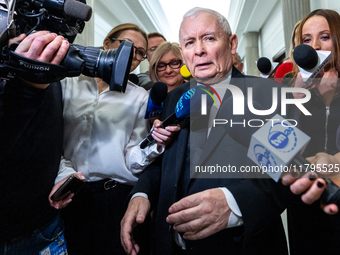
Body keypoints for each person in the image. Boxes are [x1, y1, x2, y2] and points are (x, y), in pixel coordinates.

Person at [121, 7, 299, 255]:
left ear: (232, 43)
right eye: (190, 42)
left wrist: (234, 203)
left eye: (209, 38)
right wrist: (141, 193)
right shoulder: (174, 99)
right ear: (183, 53)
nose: (199, 50)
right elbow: (164, 162)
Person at [51, 23, 179, 255]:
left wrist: (155, 143)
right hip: (69, 195)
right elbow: (51, 142)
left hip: (114, 198)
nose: (133, 55)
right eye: (127, 46)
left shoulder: (140, 96)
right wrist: (63, 173)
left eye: (140, 52)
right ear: (107, 44)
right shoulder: (68, 84)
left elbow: (132, 158)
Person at [0, 31, 70, 254]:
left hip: (44, 226)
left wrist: (62, 174)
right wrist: (27, 89)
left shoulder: (50, 73)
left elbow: (48, 139)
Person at [286, 9, 340, 255]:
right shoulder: (289, 87)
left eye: (325, 36)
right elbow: (272, 146)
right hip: (305, 203)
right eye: (307, 40)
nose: (315, 46)